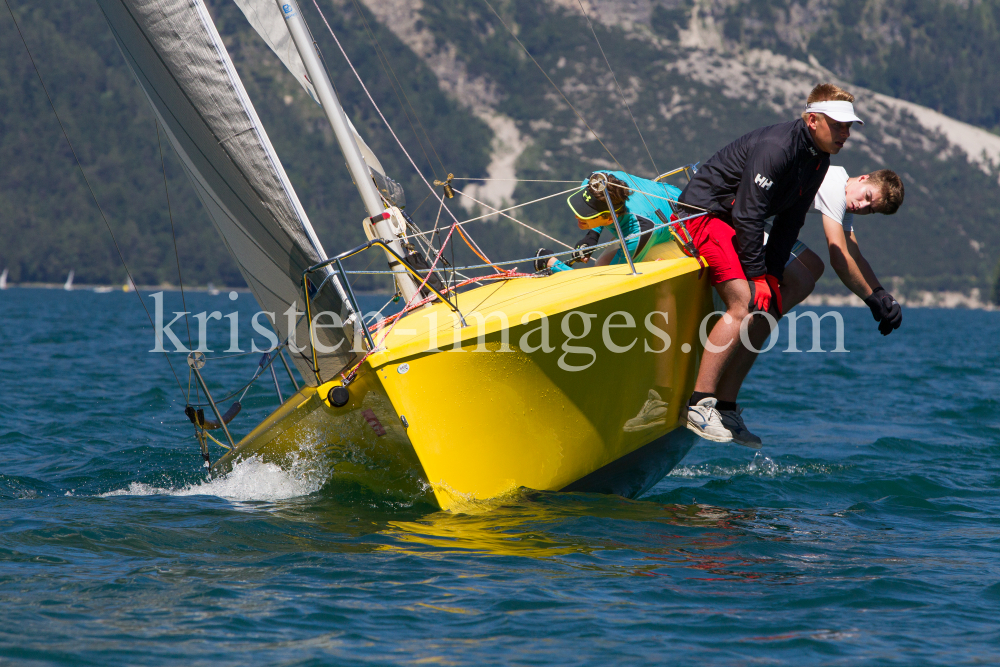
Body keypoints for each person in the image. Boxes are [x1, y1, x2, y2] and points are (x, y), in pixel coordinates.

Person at [676, 83, 863, 448]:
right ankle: (698, 405)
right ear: (812, 120)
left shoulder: (817, 159)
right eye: (838, 124)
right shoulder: (776, 148)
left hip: (735, 221)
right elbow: (748, 214)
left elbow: (789, 222)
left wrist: (773, 277)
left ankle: (727, 405)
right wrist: (757, 277)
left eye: (850, 126)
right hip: (702, 214)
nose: (846, 133)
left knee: (790, 288)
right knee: (745, 300)